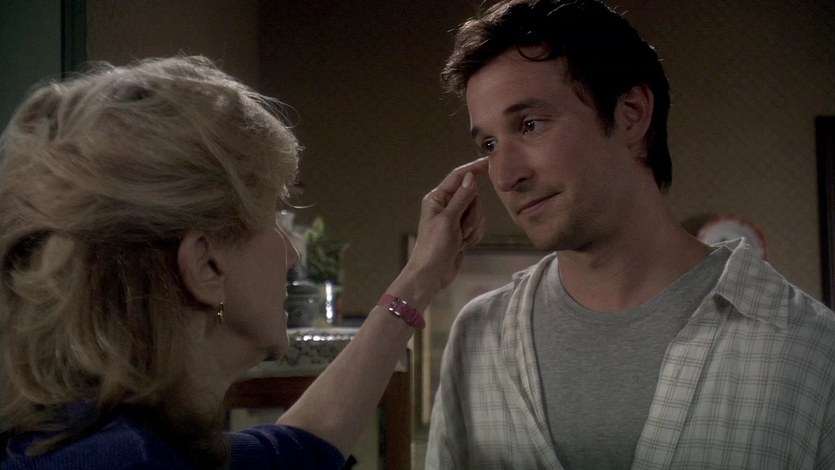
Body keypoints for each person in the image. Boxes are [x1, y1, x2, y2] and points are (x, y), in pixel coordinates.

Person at [0, 55, 488, 469]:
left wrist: (421, 277)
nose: (292, 253)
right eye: (273, 216)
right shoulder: (130, 460)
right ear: (206, 266)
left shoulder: (93, 439)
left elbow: (300, 448)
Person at [425, 0, 835, 468]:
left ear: (631, 114)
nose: (505, 175)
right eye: (489, 144)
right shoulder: (479, 336)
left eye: (531, 125)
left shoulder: (808, 347)